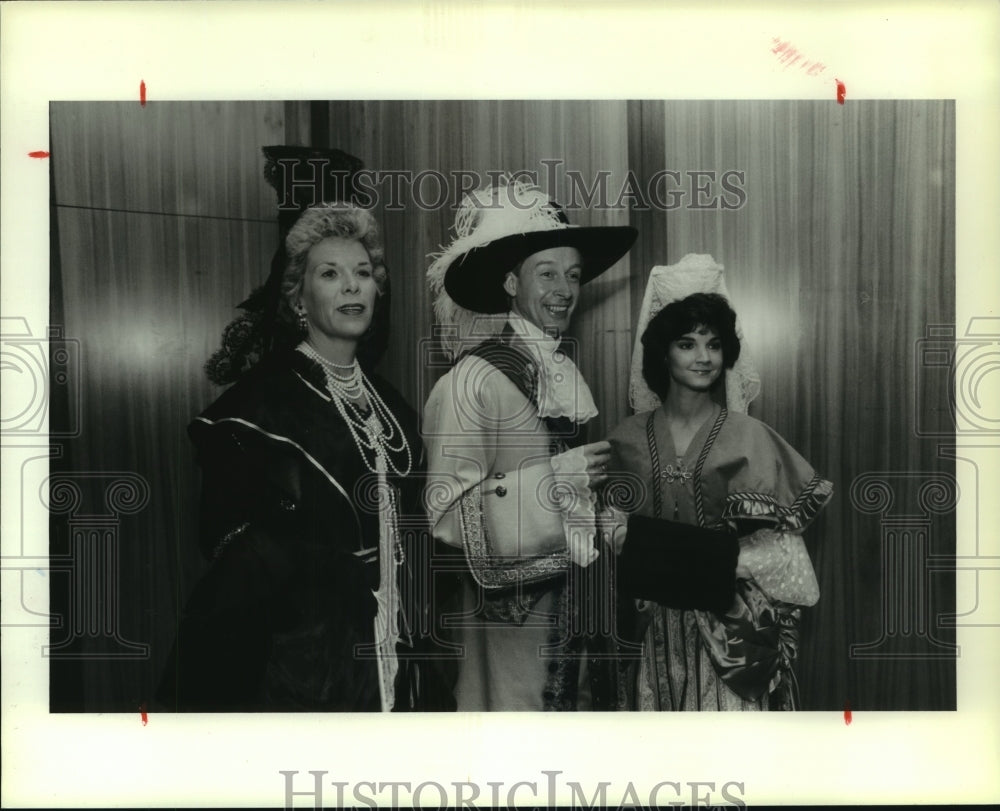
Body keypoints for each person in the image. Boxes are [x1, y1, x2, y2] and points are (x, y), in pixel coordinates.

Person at [422, 182, 739, 710]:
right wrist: (555, 483)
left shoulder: (561, 373)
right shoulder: (470, 382)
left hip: (577, 620)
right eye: (546, 274)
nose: (564, 290)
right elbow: (446, 518)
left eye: (572, 276)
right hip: (510, 636)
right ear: (509, 282)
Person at [158, 202, 437, 711]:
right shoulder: (259, 405)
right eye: (330, 274)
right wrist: (336, 572)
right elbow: (231, 553)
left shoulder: (391, 404)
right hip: (304, 662)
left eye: (363, 273)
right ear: (299, 298)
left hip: (397, 644)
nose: (353, 286)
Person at [605, 264, 833, 711]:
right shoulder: (626, 438)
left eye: (713, 344)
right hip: (650, 634)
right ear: (663, 353)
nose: (703, 357)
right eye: (687, 344)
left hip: (729, 639)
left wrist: (688, 561)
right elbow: (610, 541)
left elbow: (785, 561)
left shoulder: (751, 437)